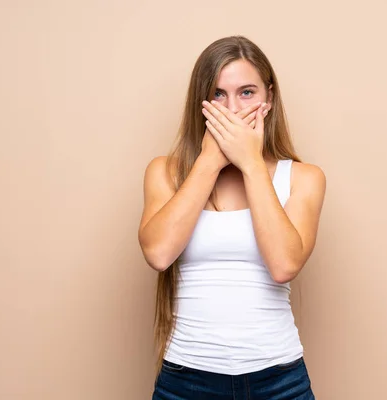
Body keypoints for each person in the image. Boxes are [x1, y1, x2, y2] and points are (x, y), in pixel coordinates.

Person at [138, 35, 326, 399]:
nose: (232, 109)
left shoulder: (304, 178)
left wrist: (251, 162)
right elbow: (158, 254)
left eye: (246, 92)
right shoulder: (165, 172)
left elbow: (284, 265)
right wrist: (210, 161)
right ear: (201, 104)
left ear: (268, 98)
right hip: (186, 381)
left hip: (279, 381)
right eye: (219, 95)